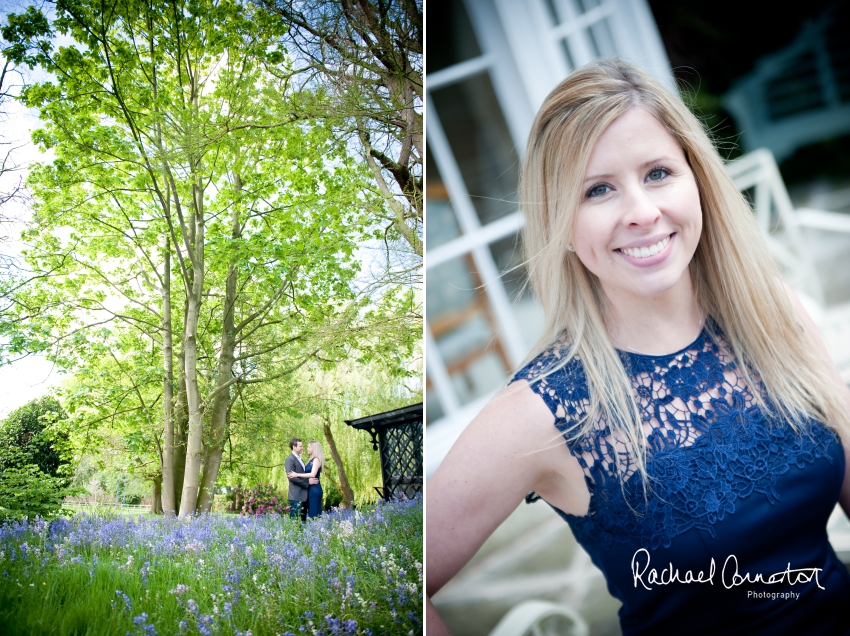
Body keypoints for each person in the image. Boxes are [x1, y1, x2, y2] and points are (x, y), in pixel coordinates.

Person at [426, 59, 850, 635]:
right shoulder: (544, 411)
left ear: (696, 179)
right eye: (599, 190)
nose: (642, 212)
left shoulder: (772, 311)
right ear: (562, 224)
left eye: (657, 173)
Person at [288, 440, 324, 518]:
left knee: (314, 514)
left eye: (309, 447)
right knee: (310, 513)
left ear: (314, 449)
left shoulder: (316, 460)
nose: (306, 448)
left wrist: (296, 474)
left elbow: (312, 474)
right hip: (310, 488)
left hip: (314, 488)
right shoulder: (310, 460)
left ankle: (317, 528)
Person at [285, 438, 310, 522]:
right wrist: (307, 483)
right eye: (300, 446)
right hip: (296, 496)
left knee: (302, 522)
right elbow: (292, 478)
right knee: (295, 522)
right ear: (294, 447)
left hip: (303, 496)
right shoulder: (290, 460)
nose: (302, 448)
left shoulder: (300, 459)